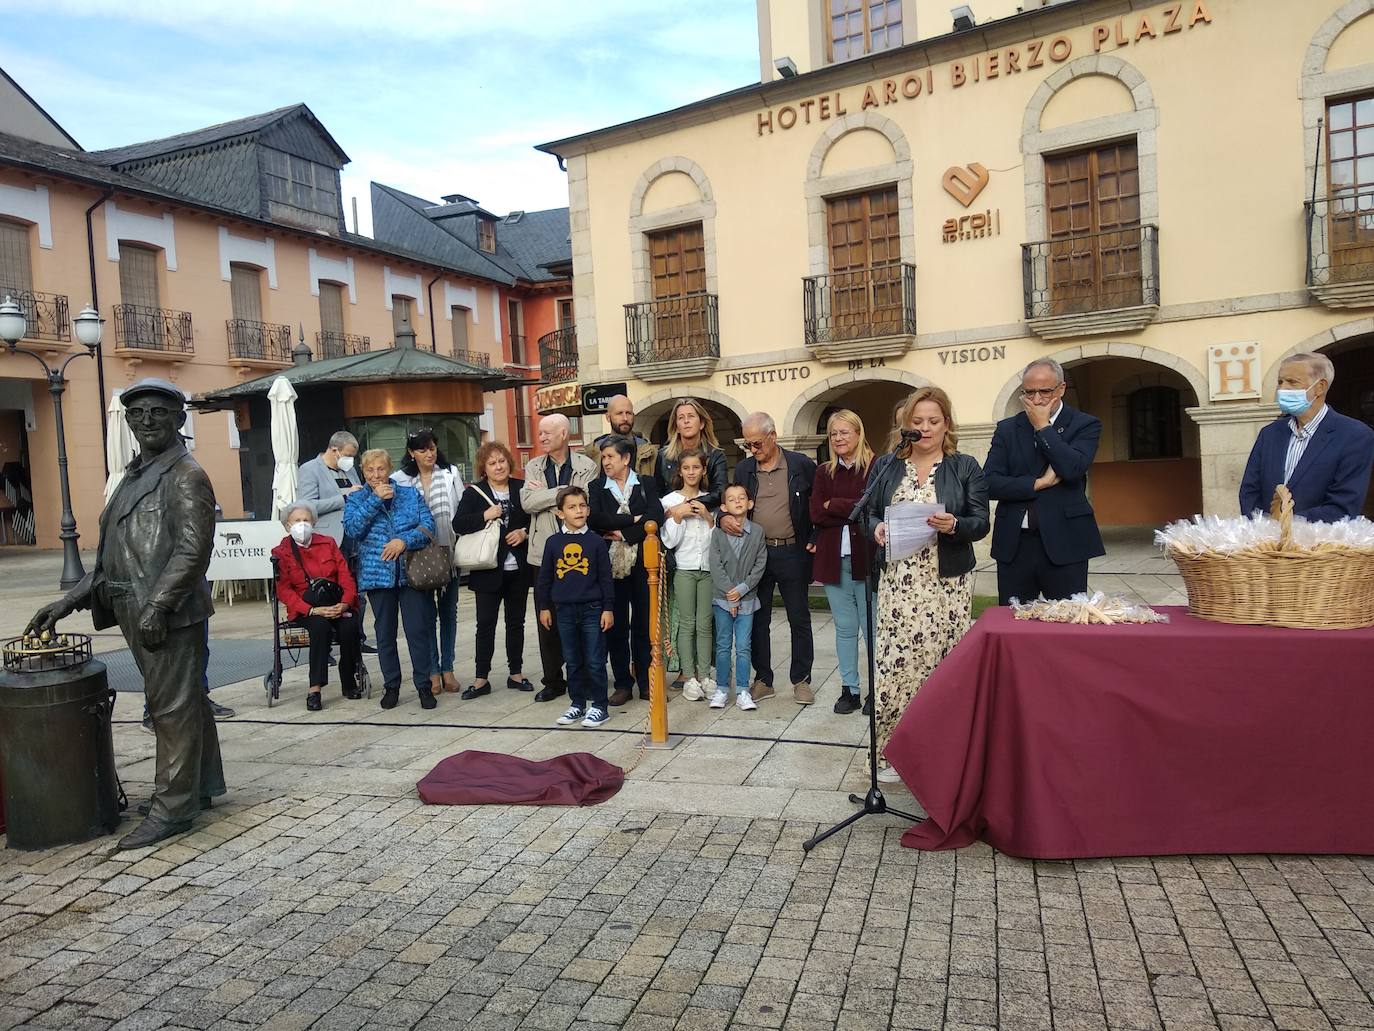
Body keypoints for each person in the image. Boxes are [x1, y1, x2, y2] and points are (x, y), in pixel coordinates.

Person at [27, 377, 225, 850]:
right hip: (134, 605)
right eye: (136, 414)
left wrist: (159, 605)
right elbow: (110, 557)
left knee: (170, 707)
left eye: (157, 411)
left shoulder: (185, 474)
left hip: (165, 611)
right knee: (186, 701)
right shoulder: (137, 473)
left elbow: (193, 551)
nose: (146, 421)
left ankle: (172, 810)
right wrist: (67, 601)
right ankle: (199, 786)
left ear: (179, 419)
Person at [865, 387, 990, 783]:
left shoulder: (964, 466)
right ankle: (893, 755)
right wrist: (877, 528)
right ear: (906, 426)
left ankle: (941, 752)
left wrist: (954, 525)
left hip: (945, 583)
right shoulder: (886, 465)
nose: (925, 428)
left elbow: (980, 521)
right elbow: (866, 513)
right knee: (896, 665)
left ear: (947, 424)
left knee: (940, 666)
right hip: (899, 583)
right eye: (917, 422)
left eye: (933, 421)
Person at [984, 358, 1105, 605]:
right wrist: (1037, 484)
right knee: (1013, 621)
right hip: (1015, 544)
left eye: (1045, 391)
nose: (1036, 399)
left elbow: (1071, 468)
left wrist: (1043, 427)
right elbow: (989, 483)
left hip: (1066, 541)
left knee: (1066, 623)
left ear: (1061, 389)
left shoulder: (1085, 424)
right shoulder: (1007, 429)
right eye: (1029, 392)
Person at [722, 412, 817, 705]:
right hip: (756, 554)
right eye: (748, 445)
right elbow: (732, 503)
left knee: (798, 617)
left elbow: (816, 506)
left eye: (758, 443)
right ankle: (763, 679)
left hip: (792, 551)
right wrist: (722, 519)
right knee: (757, 619)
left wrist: (815, 537)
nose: (753, 449)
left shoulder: (800, 465)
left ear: (773, 436)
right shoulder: (744, 470)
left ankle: (801, 680)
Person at [343, 448, 438, 711]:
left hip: (411, 573)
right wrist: (373, 500)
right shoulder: (356, 500)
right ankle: (392, 685)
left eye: (381, 469)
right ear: (363, 472)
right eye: (370, 470)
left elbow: (429, 526)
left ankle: (424, 686)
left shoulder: (408, 494)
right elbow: (352, 530)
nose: (376, 475)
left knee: (417, 631)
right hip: (378, 575)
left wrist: (403, 541)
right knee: (384, 634)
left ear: (389, 469)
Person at [1239, 352, 1374, 521]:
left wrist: (1286, 524)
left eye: (1292, 382)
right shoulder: (1269, 434)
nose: (1282, 389)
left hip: (1319, 543)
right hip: (1267, 544)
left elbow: (1343, 505)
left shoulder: (1355, 435)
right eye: (1280, 382)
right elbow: (1249, 492)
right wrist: (1264, 528)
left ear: (1320, 387)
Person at [521, 414, 598, 702]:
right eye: (539, 433)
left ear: (564, 434)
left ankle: (586, 677)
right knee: (547, 618)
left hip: (579, 552)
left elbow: (584, 503)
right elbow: (527, 502)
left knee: (580, 616)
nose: (540, 437)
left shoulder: (586, 466)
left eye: (546, 433)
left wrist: (551, 498)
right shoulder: (533, 466)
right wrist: (562, 495)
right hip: (542, 553)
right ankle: (553, 679)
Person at [452, 441, 533, 698]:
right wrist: (485, 515)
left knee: (516, 623)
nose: (499, 466)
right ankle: (480, 678)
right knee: (485, 624)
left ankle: (516, 674)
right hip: (487, 569)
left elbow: (535, 519)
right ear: (483, 468)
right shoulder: (474, 492)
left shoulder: (522, 488)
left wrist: (524, 532)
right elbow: (459, 524)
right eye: (492, 463)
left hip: (517, 568)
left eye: (502, 461)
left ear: (509, 462)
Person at [590, 434, 665, 706]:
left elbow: (655, 516)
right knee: (616, 624)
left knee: (644, 625)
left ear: (626, 458)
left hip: (643, 565)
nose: (605, 461)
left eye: (610, 456)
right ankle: (623, 683)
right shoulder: (597, 486)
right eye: (603, 457)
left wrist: (623, 533)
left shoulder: (646, 483)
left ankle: (647, 682)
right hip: (610, 566)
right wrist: (634, 519)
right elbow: (597, 519)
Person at [809, 410, 875, 715]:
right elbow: (815, 514)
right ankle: (850, 689)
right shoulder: (824, 472)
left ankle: (877, 690)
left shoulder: (875, 467)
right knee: (845, 629)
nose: (838, 438)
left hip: (868, 558)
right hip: (835, 560)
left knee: (871, 628)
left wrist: (833, 505)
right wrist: (851, 507)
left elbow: (873, 507)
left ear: (859, 434)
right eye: (833, 433)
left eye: (844, 432)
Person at [392, 429, 464, 695]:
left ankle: (448, 668)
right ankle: (432, 671)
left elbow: (461, 506)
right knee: (424, 617)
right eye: (422, 450)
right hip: (417, 556)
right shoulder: (399, 479)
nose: (429, 454)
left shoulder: (450, 473)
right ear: (412, 453)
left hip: (449, 552)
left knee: (449, 613)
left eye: (432, 448)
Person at [270, 501, 362, 711]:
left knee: (350, 626)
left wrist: (345, 604)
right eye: (296, 521)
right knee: (320, 627)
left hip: (335, 602)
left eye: (306, 520)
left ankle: (348, 680)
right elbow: (283, 590)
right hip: (306, 607)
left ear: (314, 523)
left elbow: (346, 577)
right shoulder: (281, 552)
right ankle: (315, 688)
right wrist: (311, 610)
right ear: (287, 525)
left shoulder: (328, 543)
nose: (302, 525)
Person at [536, 486, 614, 728]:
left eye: (582, 506)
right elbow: (545, 579)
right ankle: (577, 704)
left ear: (588, 510)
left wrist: (608, 608)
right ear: (560, 513)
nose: (578, 511)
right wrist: (544, 607)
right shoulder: (553, 543)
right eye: (572, 507)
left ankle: (600, 706)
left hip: (592, 609)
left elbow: (605, 579)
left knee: (594, 659)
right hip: (564, 611)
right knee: (572, 660)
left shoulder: (597, 543)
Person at [298, 430, 373, 653]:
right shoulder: (310, 470)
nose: (351, 459)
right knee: (326, 591)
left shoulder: (349, 472)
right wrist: (343, 497)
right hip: (328, 539)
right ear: (334, 449)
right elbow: (307, 505)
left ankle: (356, 637)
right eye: (348, 454)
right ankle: (325, 644)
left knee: (357, 590)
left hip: (353, 537)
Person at [659, 449, 715, 700]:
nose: (691, 472)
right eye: (686, 468)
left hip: (708, 570)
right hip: (684, 568)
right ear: (679, 471)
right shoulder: (669, 501)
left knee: (705, 624)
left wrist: (707, 516)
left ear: (703, 470)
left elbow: (717, 543)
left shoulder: (710, 499)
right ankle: (688, 675)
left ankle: (705, 674)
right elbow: (669, 541)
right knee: (687, 624)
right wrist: (679, 517)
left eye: (696, 467)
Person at [709, 483, 767, 710]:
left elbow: (760, 564)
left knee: (743, 645)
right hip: (722, 600)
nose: (738, 501)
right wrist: (730, 595)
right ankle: (722, 688)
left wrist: (741, 591)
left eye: (742, 497)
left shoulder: (758, 532)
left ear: (750, 503)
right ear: (724, 506)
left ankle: (743, 690)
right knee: (723, 644)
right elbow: (715, 565)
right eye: (731, 499)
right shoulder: (718, 533)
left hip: (747, 599)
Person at [654, 398, 728, 508]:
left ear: (702, 423)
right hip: (671, 516)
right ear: (676, 427)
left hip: (706, 514)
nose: (686, 421)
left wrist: (687, 505)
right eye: (681, 418)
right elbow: (657, 493)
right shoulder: (663, 455)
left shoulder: (715, 455)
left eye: (691, 416)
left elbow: (720, 492)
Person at [584, 394, 658, 481]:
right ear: (608, 417)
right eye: (619, 413)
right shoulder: (593, 452)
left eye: (628, 413)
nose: (625, 418)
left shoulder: (650, 452)